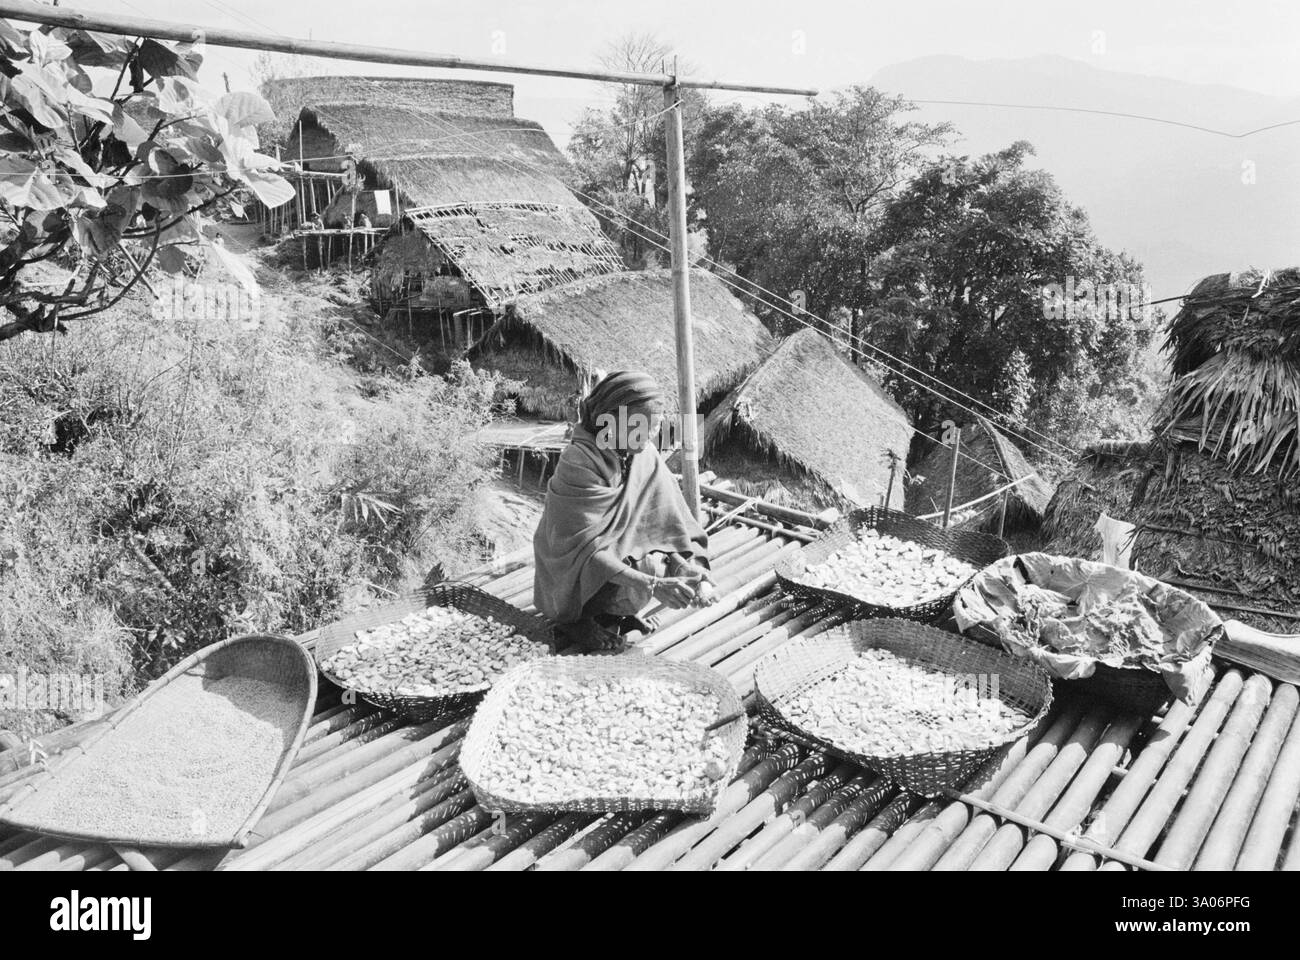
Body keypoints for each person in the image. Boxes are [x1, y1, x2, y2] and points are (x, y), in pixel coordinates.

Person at [534, 371, 714, 651]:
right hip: (569, 574)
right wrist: (653, 585)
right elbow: (588, 553)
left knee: (656, 562)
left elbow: (666, 527)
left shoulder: (642, 455)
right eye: (638, 430)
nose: (647, 439)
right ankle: (575, 620)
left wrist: (691, 573)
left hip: (617, 563)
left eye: (652, 430)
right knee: (647, 572)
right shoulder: (578, 462)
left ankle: (619, 612)